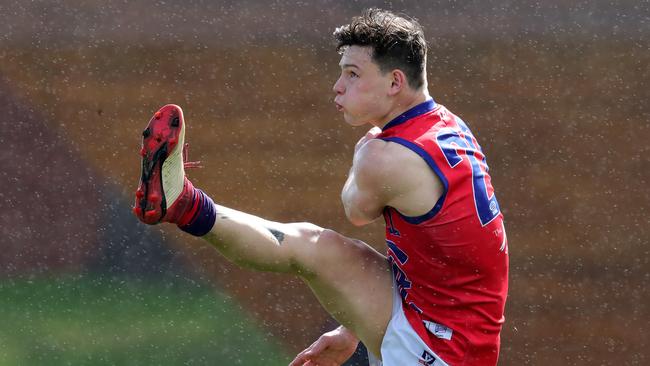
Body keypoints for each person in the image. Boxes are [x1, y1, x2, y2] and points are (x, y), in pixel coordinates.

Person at [133, 8, 508, 366]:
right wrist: (353, 329)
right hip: (438, 317)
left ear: (395, 82)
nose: (338, 87)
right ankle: (183, 203)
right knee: (315, 246)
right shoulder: (446, 124)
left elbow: (355, 210)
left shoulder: (384, 157)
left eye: (353, 74)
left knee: (308, 251)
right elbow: (435, 257)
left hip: (441, 348)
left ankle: (184, 205)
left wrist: (363, 155)